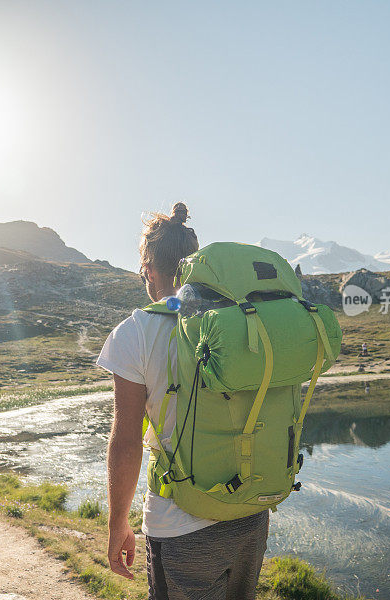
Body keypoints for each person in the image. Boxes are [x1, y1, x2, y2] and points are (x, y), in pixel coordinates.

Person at [96, 203, 269, 600]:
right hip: (250, 513)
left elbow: (125, 442)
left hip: (181, 526)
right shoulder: (237, 322)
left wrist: (116, 525)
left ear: (148, 270)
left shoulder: (135, 332)